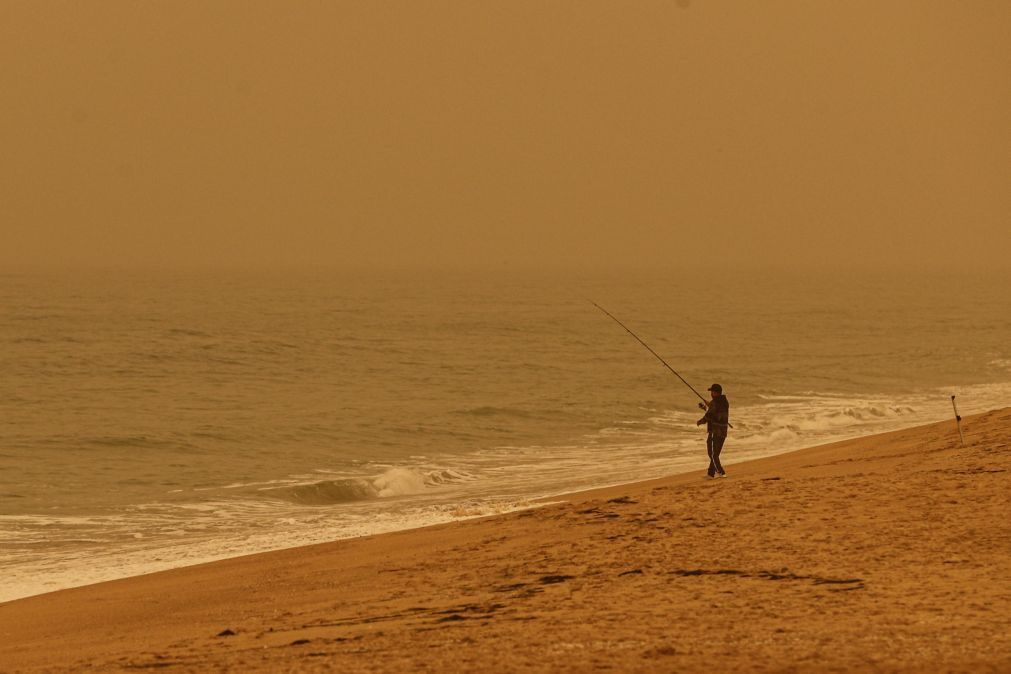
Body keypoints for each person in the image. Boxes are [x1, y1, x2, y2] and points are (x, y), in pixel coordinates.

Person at [697, 383, 729, 478]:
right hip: (723, 431)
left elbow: (709, 416)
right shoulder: (724, 401)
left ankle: (720, 472)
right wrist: (706, 407)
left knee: (712, 453)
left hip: (715, 431)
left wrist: (700, 421)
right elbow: (715, 412)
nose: (711, 393)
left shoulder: (715, 403)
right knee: (715, 453)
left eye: (712, 392)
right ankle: (711, 474)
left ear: (716, 393)